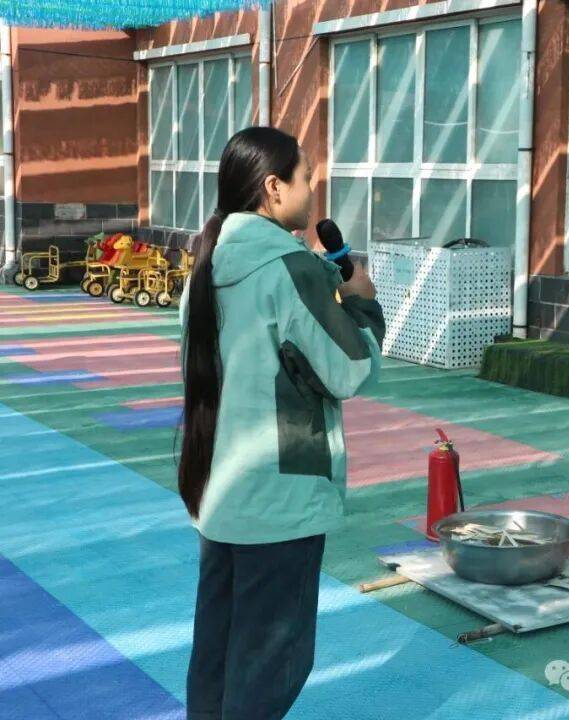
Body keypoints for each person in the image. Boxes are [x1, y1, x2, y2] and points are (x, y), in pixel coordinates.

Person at [178, 126, 385, 719]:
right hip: (280, 496)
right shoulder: (289, 268)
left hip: (220, 490)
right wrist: (362, 302)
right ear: (273, 188)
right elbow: (350, 369)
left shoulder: (208, 264)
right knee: (270, 667)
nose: (313, 191)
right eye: (306, 178)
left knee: (217, 660)